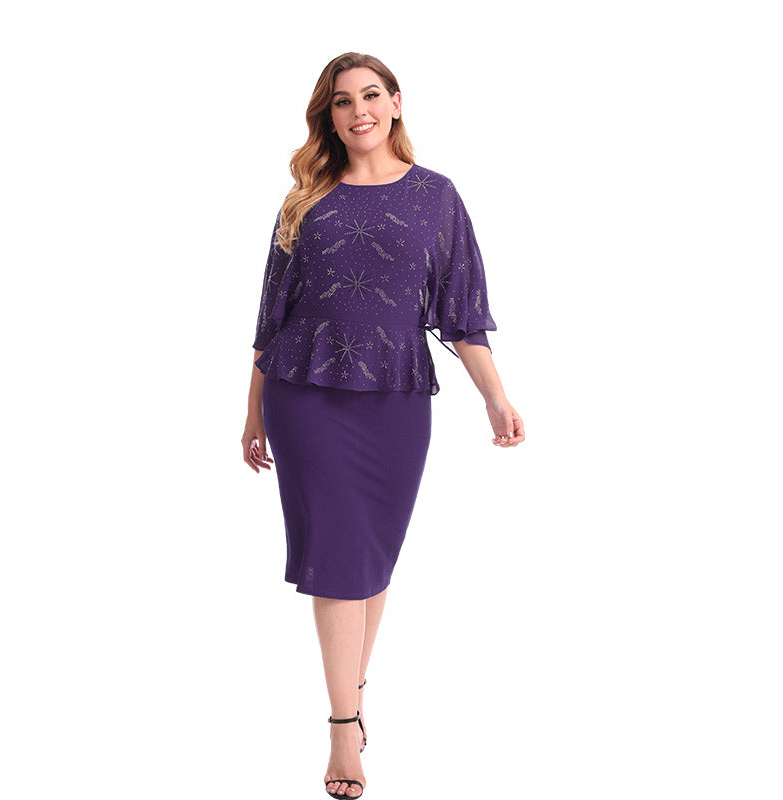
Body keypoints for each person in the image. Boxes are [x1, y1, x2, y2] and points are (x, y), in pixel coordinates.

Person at [241, 51, 525, 799]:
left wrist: (495, 398)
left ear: (396, 102)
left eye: (370, 95)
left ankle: (353, 696)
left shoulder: (437, 196)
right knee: (338, 555)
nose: (358, 110)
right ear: (328, 117)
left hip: (396, 401)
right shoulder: (305, 199)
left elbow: (462, 313)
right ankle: (344, 730)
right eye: (342, 101)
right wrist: (252, 410)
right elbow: (271, 318)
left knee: (371, 560)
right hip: (305, 397)